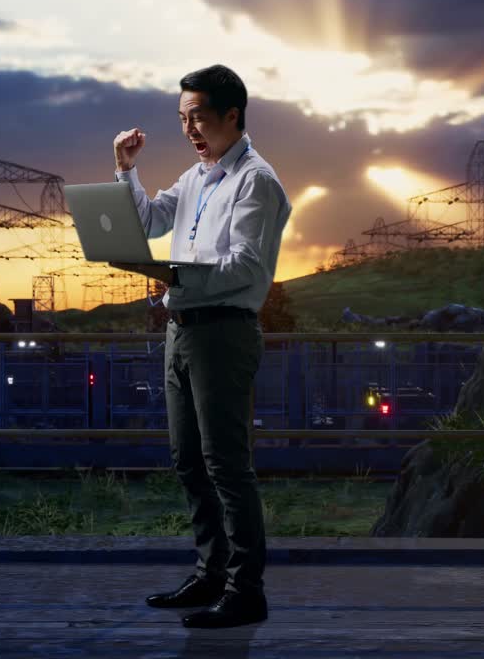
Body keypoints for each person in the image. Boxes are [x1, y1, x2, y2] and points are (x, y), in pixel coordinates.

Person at [109, 64, 291, 629]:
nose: (189, 127)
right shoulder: (197, 177)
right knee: (188, 460)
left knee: (226, 465)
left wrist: (175, 278)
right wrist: (125, 171)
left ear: (231, 115)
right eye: (182, 118)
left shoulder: (255, 180)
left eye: (198, 117)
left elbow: (246, 267)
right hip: (181, 330)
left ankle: (246, 589)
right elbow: (149, 220)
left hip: (223, 331)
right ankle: (212, 572)